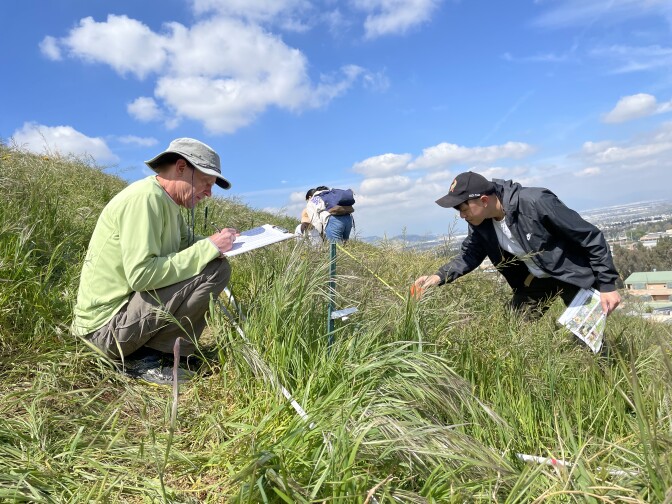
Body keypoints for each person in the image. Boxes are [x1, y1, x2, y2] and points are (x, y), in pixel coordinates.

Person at [71, 138, 238, 383]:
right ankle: (148, 358)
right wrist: (209, 247)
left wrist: (222, 242)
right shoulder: (145, 199)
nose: (209, 193)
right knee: (214, 269)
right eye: (206, 182)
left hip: (122, 317)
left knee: (215, 264)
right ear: (181, 167)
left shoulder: (167, 202)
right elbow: (141, 276)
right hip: (103, 333)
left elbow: (185, 241)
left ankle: (162, 352)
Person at [414, 171, 621, 318]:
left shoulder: (535, 202)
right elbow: (470, 255)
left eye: (463, 208)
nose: (461, 215)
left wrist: (607, 284)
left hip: (572, 275)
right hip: (536, 282)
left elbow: (590, 236)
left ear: (484, 200)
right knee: (512, 329)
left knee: (588, 341)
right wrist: (438, 277)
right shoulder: (480, 224)